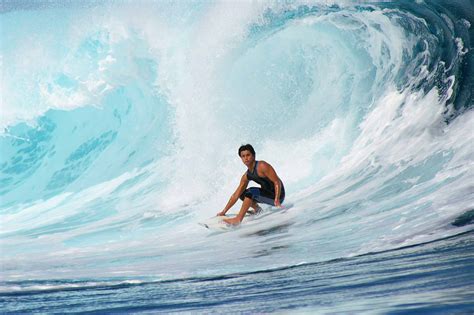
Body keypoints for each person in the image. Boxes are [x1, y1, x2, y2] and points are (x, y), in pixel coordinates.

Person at [217, 144, 285, 225]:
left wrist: (277, 200)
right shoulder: (246, 175)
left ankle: (238, 219)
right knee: (242, 193)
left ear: (254, 155)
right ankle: (257, 210)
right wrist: (224, 211)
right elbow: (235, 195)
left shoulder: (262, 166)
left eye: (248, 155)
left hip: (278, 196)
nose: (246, 158)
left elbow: (276, 182)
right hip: (267, 195)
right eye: (243, 156)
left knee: (251, 191)